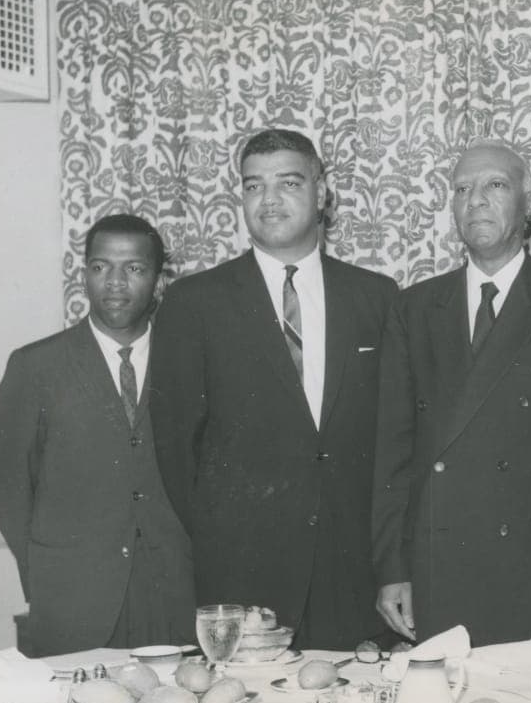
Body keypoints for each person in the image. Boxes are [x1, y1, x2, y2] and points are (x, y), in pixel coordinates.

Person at [149, 129, 398, 650]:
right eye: (253, 186)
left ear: (321, 192)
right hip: (243, 576)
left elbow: (393, 442)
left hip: (351, 573)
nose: (269, 200)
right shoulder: (194, 303)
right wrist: (226, 541)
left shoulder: (376, 297)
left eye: (288, 183)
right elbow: (175, 449)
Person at [371, 140, 531, 647]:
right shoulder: (413, 308)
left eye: (495, 185)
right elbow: (393, 453)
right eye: (462, 189)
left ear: (530, 203)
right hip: (437, 566)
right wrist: (392, 568)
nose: (476, 200)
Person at [0, 214, 196, 656]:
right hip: (73, 603)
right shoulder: (35, 366)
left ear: (159, 280)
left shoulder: (191, 362)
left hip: (174, 598)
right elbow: (8, 486)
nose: (115, 282)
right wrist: (44, 574)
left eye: (134, 268)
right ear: (84, 274)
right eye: (101, 267)